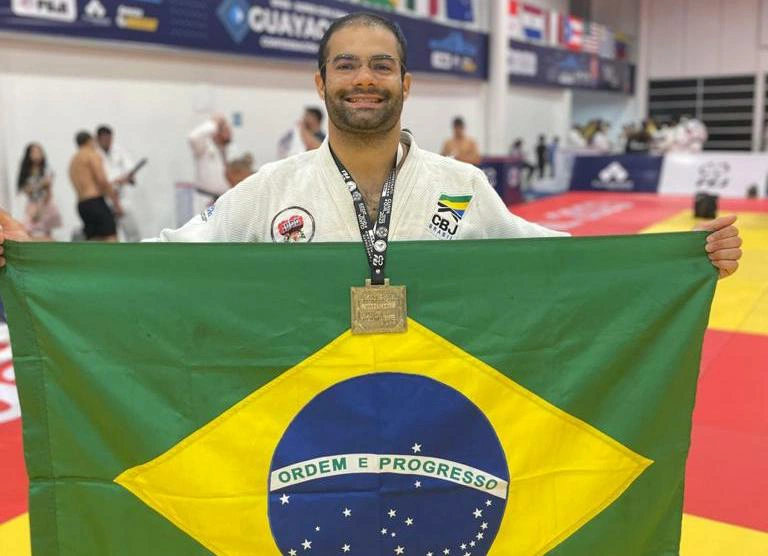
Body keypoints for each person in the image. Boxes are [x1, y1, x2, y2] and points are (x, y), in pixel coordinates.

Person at [0, 12, 742, 279]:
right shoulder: (269, 188)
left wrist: (680, 254)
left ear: (407, 84)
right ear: (320, 82)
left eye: (381, 65)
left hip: (438, 401)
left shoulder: (462, 184)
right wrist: (42, 257)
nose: (364, 80)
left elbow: (552, 256)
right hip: (306, 402)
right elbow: (175, 253)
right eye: (347, 66)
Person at [69, 131, 126, 242]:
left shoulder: (73, 161)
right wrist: (116, 203)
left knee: (94, 242)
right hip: (95, 202)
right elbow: (102, 181)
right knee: (111, 240)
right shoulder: (92, 155)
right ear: (90, 141)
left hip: (82, 205)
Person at [96, 125, 142, 242]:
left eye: (110, 139)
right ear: (98, 139)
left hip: (122, 198)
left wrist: (129, 177)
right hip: (104, 199)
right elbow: (99, 179)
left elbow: (130, 170)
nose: (108, 142)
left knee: (133, 234)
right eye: (105, 139)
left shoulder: (119, 151)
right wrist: (115, 181)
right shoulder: (94, 155)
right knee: (108, 236)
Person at [16, 143, 62, 240]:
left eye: (39, 152)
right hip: (32, 204)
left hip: (45, 204)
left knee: (46, 231)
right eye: (34, 152)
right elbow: (26, 190)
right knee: (28, 230)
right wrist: (41, 184)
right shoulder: (26, 172)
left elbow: (48, 191)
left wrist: (41, 207)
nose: (37, 155)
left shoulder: (46, 170)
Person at [188, 114, 232, 213]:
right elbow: (193, 137)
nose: (229, 132)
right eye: (225, 129)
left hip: (224, 201)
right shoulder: (203, 149)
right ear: (215, 132)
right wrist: (213, 124)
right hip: (207, 201)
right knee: (205, 227)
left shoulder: (231, 150)